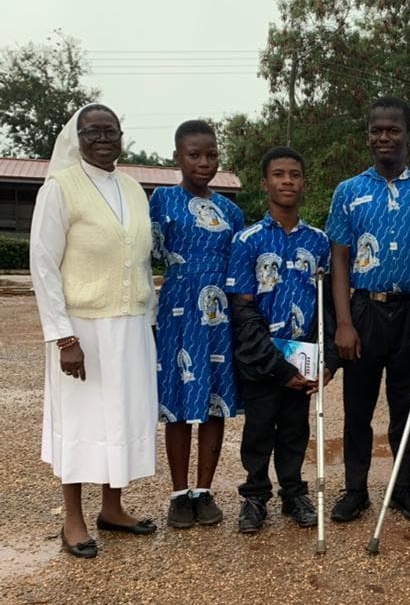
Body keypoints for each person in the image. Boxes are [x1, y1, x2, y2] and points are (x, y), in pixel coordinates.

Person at [30, 104, 158, 559]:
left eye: (111, 131)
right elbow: (43, 265)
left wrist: (150, 316)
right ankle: (73, 518)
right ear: (76, 137)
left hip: (130, 324)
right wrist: (63, 337)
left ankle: (113, 508)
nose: (102, 139)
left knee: (119, 416)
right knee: (81, 420)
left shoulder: (132, 188)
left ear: (122, 136)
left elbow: (139, 259)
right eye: (92, 132)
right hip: (81, 329)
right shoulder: (59, 187)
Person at [325, 96, 410, 524]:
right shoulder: (348, 191)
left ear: (409, 136)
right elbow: (339, 260)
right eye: (376, 130)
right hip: (363, 312)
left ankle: (403, 489)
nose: (384, 137)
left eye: (393, 129)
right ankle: (355, 490)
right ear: (367, 136)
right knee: (357, 408)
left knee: (408, 409)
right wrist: (343, 322)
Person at [226, 146, 337, 532]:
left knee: (295, 429)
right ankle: (255, 497)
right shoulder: (247, 241)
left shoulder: (319, 241)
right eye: (278, 174)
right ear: (264, 183)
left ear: (303, 183)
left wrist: (328, 361)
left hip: (303, 355)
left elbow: (328, 308)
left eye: (294, 174)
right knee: (258, 430)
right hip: (262, 359)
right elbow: (241, 309)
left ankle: (294, 493)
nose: (287, 180)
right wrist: (276, 365)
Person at [149, 120, 244, 529]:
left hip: (219, 315)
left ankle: (203, 491)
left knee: (213, 403)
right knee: (176, 402)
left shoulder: (231, 210)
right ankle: (177, 494)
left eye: (211, 155)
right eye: (194, 155)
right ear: (178, 157)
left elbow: (241, 266)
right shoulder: (161, 201)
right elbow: (146, 254)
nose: (204, 163)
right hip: (176, 309)